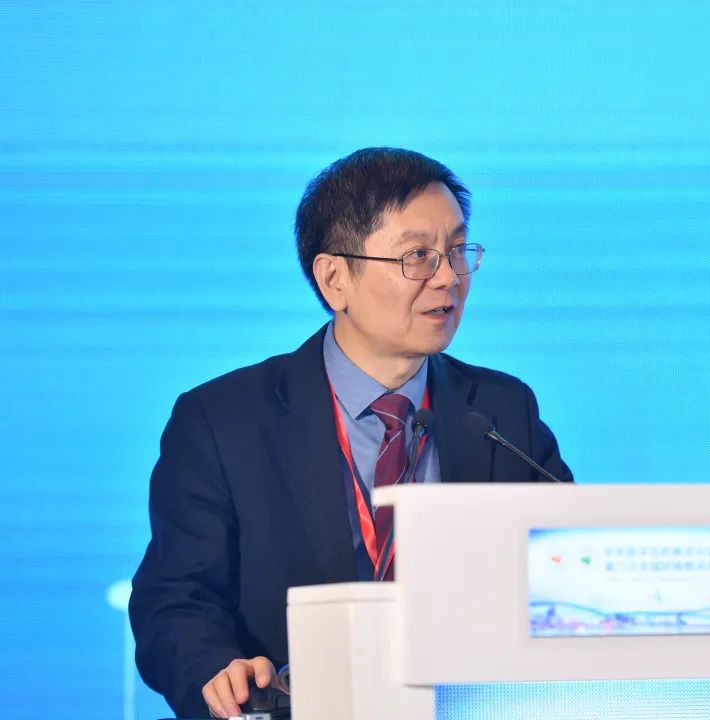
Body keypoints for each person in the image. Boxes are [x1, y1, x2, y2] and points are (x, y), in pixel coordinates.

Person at [129, 147, 574, 718]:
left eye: (457, 251)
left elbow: (562, 566)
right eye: (417, 256)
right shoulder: (223, 421)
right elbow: (175, 599)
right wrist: (217, 670)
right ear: (335, 278)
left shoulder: (501, 411)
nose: (448, 277)